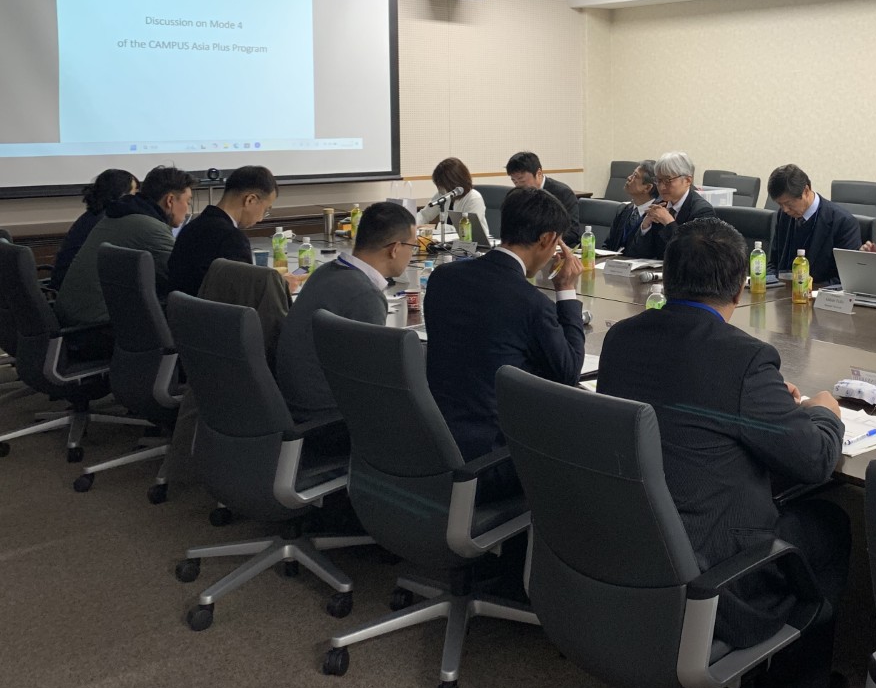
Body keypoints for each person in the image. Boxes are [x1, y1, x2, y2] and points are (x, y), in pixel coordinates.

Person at [598, 218, 848, 688]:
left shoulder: (621, 337)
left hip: (624, 545)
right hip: (710, 576)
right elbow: (817, 459)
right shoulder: (744, 358)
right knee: (829, 524)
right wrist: (823, 410)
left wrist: (765, 402)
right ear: (740, 287)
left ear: (668, 276)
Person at [424, 187, 585, 495]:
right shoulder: (530, 303)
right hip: (492, 460)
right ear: (546, 239)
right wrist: (566, 290)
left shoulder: (443, 277)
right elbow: (567, 373)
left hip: (433, 443)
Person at [275, 202, 418, 451]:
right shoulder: (364, 295)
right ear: (395, 249)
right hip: (328, 423)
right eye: (412, 246)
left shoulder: (325, 272)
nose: (412, 254)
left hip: (293, 409)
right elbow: (372, 381)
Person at [55, 165, 193, 334]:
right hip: (96, 327)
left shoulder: (117, 215)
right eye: (187, 201)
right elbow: (182, 279)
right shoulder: (150, 228)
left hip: (72, 316)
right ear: (170, 200)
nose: (187, 209)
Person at [168, 165, 278, 298]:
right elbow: (245, 297)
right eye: (265, 210)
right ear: (250, 200)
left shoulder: (191, 227)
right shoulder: (232, 239)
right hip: (213, 310)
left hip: (181, 307)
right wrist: (277, 288)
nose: (261, 218)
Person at [767, 164, 863, 288]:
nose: (785, 209)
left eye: (788, 203)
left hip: (818, 295)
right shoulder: (784, 215)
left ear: (806, 191)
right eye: (780, 205)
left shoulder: (843, 223)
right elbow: (773, 263)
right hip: (781, 292)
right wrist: (768, 282)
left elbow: (844, 279)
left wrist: (810, 290)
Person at [50, 169, 137, 290]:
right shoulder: (107, 221)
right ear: (121, 194)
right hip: (78, 289)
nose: (136, 200)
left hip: (65, 285)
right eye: (133, 193)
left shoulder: (92, 215)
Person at [624, 151, 714, 260]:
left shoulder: (702, 211)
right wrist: (645, 227)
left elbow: (694, 255)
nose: (661, 187)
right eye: (658, 180)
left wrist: (669, 222)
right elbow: (637, 254)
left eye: (668, 181)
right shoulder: (659, 205)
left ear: (687, 180)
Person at [506, 151, 581, 246]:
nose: (518, 186)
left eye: (522, 180)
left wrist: (540, 241)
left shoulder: (562, 193)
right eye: (514, 181)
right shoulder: (518, 195)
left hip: (558, 248)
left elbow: (572, 233)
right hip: (528, 248)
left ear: (539, 173)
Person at [417, 156, 491, 240]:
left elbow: (466, 229)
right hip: (449, 243)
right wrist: (411, 226)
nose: (441, 189)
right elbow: (424, 215)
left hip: (474, 243)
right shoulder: (444, 195)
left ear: (453, 182)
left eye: (443, 185)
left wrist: (436, 227)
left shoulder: (473, 198)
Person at [603, 160, 660, 254]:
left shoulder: (657, 215)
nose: (629, 178)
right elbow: (608, 245)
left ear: (647, 188)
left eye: (635, 176)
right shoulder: (623, 210)